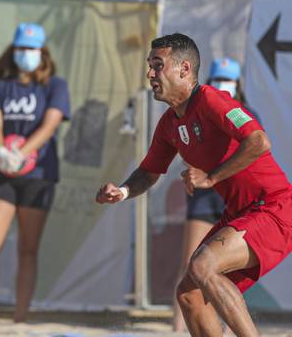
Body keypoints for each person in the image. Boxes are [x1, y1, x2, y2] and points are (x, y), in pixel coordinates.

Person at [96, 33, 292, 336]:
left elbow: (259, 141)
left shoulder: (211, 99)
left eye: (157, 65)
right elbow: (149, 172)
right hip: (241, 212)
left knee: (202, 267)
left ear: (184, 69)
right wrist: (121, 192)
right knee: (189, 295)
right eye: (149, 65)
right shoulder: (169, 123)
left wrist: (210, 177)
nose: (149, 74)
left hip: (275, 206)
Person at [0, 23, 70, 323]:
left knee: (28, 249)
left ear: (42, 52)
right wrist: (1, 150)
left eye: (31, 48)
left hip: (38, 174)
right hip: (4, 173)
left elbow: (51, 124)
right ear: (12, 50)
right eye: (20, 48)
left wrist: (23, 151)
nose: (25, 54)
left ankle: (20, 317)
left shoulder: (55, 86)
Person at [172, 57, 255, 332]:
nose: (223, 85)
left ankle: (230, 327)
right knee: (192, 264)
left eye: (228, 79)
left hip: (234, 197)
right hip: (206, 196)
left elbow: (256, 148)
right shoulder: (198, 112)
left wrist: (214, 173)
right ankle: (177, 326)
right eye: (219, 79)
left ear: (238, 83)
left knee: (221, 270)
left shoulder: (246, 112)